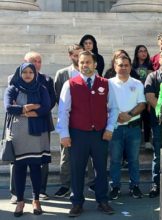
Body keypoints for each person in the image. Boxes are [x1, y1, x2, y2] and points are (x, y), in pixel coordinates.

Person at [57, 51, 118, 217]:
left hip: (100, 134)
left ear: (95, 64)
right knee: (77, 169)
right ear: (78, 64)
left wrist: (110, 128)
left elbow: (113, 108)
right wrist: (64, 133)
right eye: (82, 62)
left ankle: (103, 200)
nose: (85, 65)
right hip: (78, 134)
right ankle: (76, 202)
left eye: (88, 62)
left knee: (100, 169)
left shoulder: (105, 83)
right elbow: (63, 111)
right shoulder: (70, 84)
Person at [8, 52, 56, 203]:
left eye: (38, 62)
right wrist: (28, 108)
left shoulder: (44, 83)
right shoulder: (13, 85)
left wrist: (31, 111)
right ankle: (17, 196)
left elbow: (48, 104)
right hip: (19, 131)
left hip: (39, 127)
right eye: (26, 71)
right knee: (18, 164)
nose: (29, 73)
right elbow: (9, 107)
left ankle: (38, 195)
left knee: (38, 164)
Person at [53, 44, 96, 197]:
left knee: (91, 156)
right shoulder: (62, 74)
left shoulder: (92, 73)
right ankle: (65, 185)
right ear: (70, 56)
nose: (80, 59)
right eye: (76, 55)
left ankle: (92, 183)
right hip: (69, 122)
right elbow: (60, 99)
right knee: (66, 156)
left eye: (82, 55)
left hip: (88, 123)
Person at [108, 55, 146, 200]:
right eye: (120, 65)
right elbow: (103, 104)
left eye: (126, 65)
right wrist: (116, 115)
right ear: (114, 67)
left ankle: (134, 186)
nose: (123, 67)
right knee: (115, 160)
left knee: (133, 159)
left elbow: (142, 104)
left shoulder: (137, 83)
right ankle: (115, 187)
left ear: (130, 67)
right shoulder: (108, 83)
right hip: (115, 127)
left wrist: (129, 114)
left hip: (133, 128)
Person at [144, 48, 162, 198]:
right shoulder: (152, 76)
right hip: (159, 122)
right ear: (158, 60)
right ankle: (156, 184)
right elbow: (150, 97)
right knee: (158, 154)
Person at [133, 45, 154, 150]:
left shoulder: (150, 66)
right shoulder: (132, 66)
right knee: (137, 120)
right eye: (140, 51)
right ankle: (136, 142)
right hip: (135, 97)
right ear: (137, 53)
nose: (143, 53)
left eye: (145, 51)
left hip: (146, 95)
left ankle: (147, 141)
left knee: (146, 119)